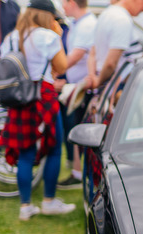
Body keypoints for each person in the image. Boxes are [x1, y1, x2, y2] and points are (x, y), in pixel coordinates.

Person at [0, 0, 74, 221]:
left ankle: (25, 206)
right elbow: (62, 67)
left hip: (19, 96)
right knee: (54, 148)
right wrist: (57, 35)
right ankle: (49, 201)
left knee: (25, 151)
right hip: (43, 95)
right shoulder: (48, 36)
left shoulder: (11, 37)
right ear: (47, 16)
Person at [55, 0, 96, 189]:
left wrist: (55, 73)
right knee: (77, 129)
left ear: (72, 2)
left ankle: (82, 173)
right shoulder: (78, 23)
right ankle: (78, 173)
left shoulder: (87, 24)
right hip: (77, 85)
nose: (62, 6)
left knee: (82, 130)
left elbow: (76, 55)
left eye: (64, 2)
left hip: (84, 88)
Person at [88, 0, 143, 91]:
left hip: (106, 84)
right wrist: (98, 81)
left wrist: (93, 76)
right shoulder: (122, 20)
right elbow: (111, 63)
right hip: (117, 88)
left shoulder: (106, 14)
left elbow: (93, 52)